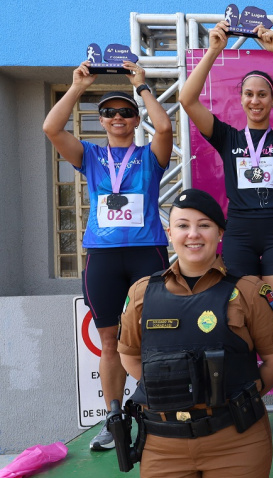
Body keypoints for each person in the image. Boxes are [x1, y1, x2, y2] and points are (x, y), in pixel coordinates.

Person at [117, 188, 273, 478]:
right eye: (183, 225)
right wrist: (170, 389)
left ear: (220, 233)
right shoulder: (142, 293)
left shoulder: (249, 291)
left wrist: (240, 396)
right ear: (170, 233)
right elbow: (129, 354)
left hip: (235, 440)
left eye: (204, 225)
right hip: (163, 447)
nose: (193, 234)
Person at [179, 19, 273, 440]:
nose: (255, 100)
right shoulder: (226, 136)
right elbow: (187, 99)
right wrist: (214, 50)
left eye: (263, 94)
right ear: (240, 100)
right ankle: (240, 396)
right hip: (237, 232)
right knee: (236, 314)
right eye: (249, 94)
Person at [43, 60, 173, 451]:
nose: (117, 117)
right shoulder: (91, 157)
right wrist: (78, 87)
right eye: (110, 113)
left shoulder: (151, 155)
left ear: (135, 120)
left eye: (125, 112)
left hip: (146, 253)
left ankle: (157, 408)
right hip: (102, 256)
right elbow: (51, 128)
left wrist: (143, 86)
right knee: (109, 340)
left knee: (157, 336)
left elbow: (165, 127)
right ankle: (113, 416)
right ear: (101, 121)